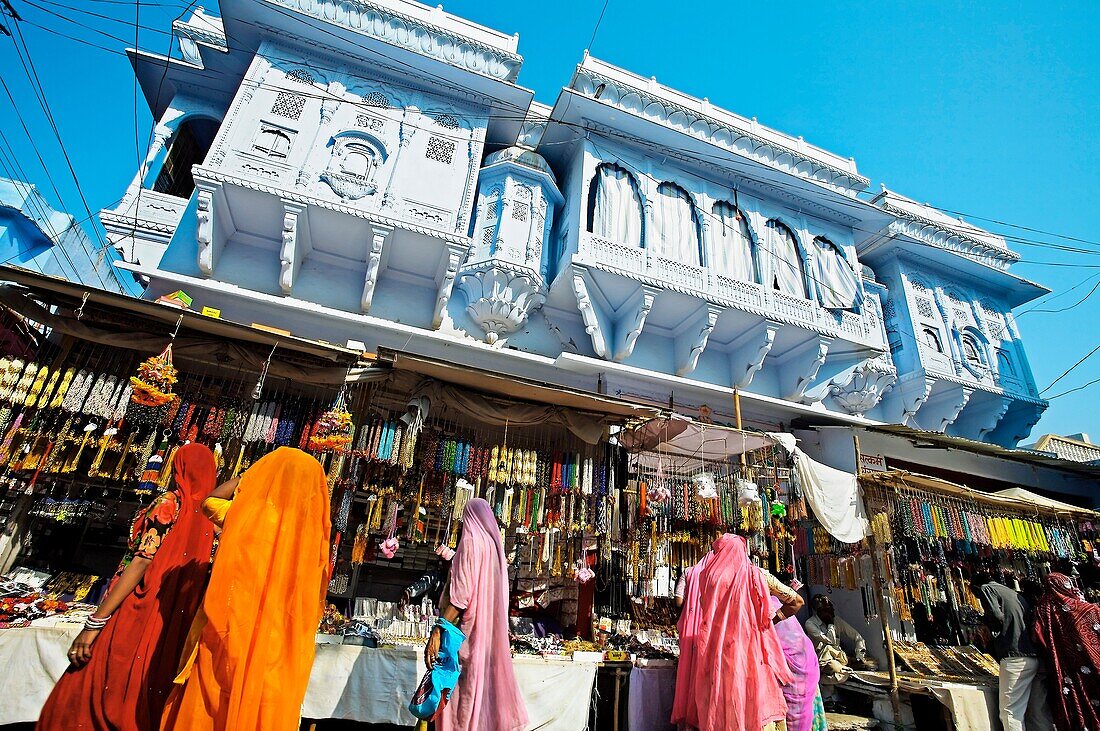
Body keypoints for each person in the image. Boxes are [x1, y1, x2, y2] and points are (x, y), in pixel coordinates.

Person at [37, 443, 218, 731]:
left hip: (138, 608)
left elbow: (142, 561)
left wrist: (96, 621)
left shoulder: (169, 504)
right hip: (173, 618)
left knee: (93, 685)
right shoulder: (211, 519)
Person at [159, 447, 332, 731]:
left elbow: (210, 502)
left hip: (229, 624)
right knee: (260, 702)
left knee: (214, 694)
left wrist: (248, 477)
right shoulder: (312, 535)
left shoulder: (246, 513)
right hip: (277, 639)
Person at [424, 498, 527, 731]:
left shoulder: (470, 542)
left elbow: (461, 597)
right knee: (477, 695)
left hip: (465, 634)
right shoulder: (493, 547)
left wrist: (437, 630)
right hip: (486, 635)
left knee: (460, 698)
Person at [672, 534, 792, 731]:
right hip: (751, 652)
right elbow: (796, 601)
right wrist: (769, 620)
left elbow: (702, 611)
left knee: (721, 702)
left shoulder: (707, 578)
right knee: (753, 699)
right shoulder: (758, 575)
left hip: (718, 652)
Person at [972, 570, 1052, 731]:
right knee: (1036, 711)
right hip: (1034, 657)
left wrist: (988, 626)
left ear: (975, 586)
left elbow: (996, 616)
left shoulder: (987, 589)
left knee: (1010, 711)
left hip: (1015, 656)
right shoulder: (1014, 594)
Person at [1031, 572, 1099, 730]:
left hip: (1064, 668)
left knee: (1076, 702)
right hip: (1090, 662)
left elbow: (1037, 637)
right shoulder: (1085, 608)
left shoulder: (1042, 608)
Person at [764, 576, 826, 731]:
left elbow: (797, 602)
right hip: (806, 662)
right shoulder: (773, 601)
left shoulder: (764, 606)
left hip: (795, 668)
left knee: (794, 719)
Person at [805, 594, 869, 685]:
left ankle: (846, 667)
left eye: (832, 606)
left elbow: (857, 637)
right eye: (829, 608)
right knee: (834, 665)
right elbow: (831, 641)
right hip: (821, 662)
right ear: (820, 611)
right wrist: (830, 624)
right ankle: (821, 679)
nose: (833, 610)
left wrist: (859, 656)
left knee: (862, 665)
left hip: (840, 659)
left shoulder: (837, 620)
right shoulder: (810, 624)